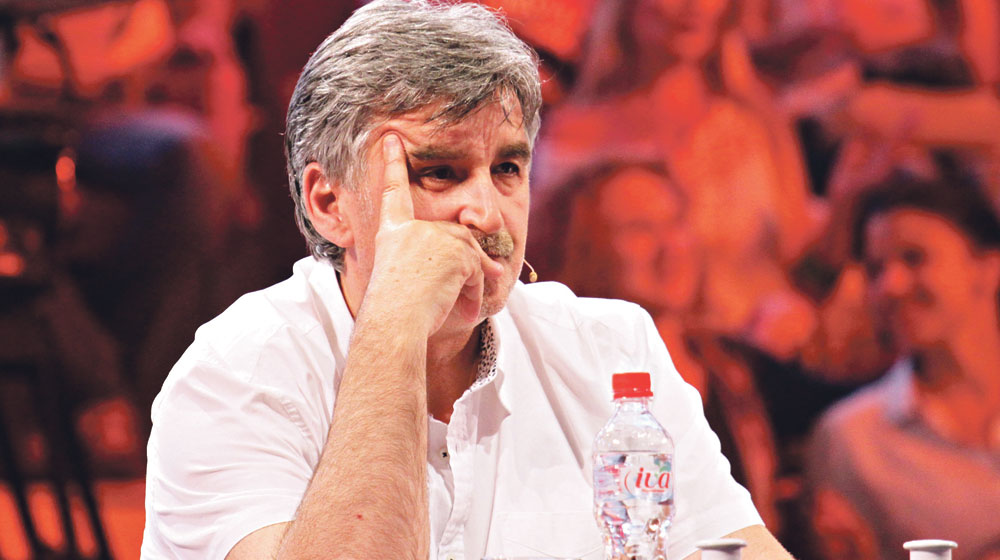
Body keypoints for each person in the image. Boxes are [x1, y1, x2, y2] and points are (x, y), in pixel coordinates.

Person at [141, 1, 794, 559]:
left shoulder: (613, 352)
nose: (486, 212)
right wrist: (395, 325)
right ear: (328, 203)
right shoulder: (236, 376)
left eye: (507, 169)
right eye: (438, 172)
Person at [806, 169, 1000, 560]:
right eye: (875, 270)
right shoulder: (853, 439)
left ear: (987, 268)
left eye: (914, 258)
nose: (890, 286)